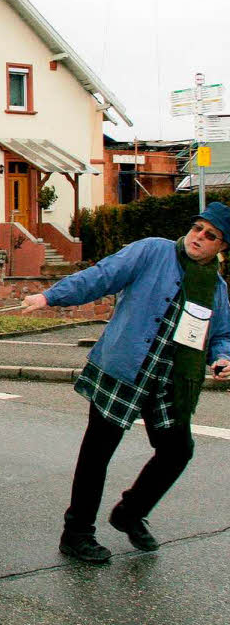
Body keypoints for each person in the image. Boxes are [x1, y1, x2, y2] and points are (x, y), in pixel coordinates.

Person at [23, 202, 230, 563]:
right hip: (124, 369)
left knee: (177, 451)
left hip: (169, 382)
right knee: (97, 453)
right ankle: (77, 533)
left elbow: (221, 334)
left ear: (221, 247)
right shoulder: (153, 251)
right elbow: (101, 276)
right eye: (197, 228)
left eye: (210, 235)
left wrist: (223, 356)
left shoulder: (216, 287)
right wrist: (50, 296)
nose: (199, 237)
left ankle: (129, 512)